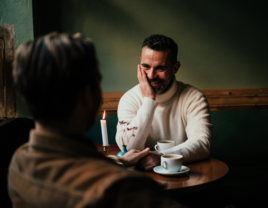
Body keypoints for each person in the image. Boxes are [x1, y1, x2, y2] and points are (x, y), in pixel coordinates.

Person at [8, 33, 183, 208]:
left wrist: (119, 161)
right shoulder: (124, 190)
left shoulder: (19, 162)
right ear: (87, 96)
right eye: (98, 82)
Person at [116, 34, 213, 170]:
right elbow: (129, 147)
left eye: (160, 68)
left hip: (184, 179)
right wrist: (149, 100)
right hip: (142, 182)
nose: (151, 76)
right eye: (146, 66)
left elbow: (202, 143)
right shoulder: (129, 98)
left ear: (175, 68)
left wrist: (162, 156)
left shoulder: (194, 97)